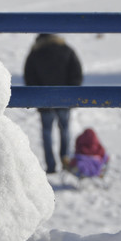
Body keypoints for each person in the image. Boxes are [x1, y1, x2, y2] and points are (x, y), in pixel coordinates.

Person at [23, 33, 83, 173]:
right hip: (65, 98)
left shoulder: (35, 53)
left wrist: (37, 95)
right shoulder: (67, 49)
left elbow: (29, 76)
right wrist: (71, 93)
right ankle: (65, 161)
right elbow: (76, 73)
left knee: (47, 132)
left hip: (44, 99)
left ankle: (50, 165)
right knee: (65, 129)